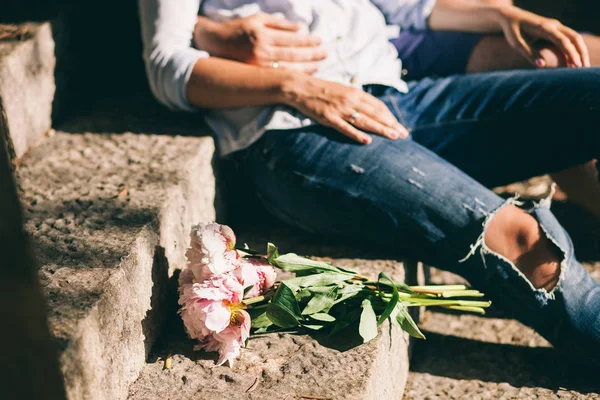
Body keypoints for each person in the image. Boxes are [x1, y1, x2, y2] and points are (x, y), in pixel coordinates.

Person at [139, 0, 600, 364]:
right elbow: (166, 64)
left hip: (399, 96)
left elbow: (405, 8)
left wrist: (503, 14)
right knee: (521, 240)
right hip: (298, 133)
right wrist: (296, 87)